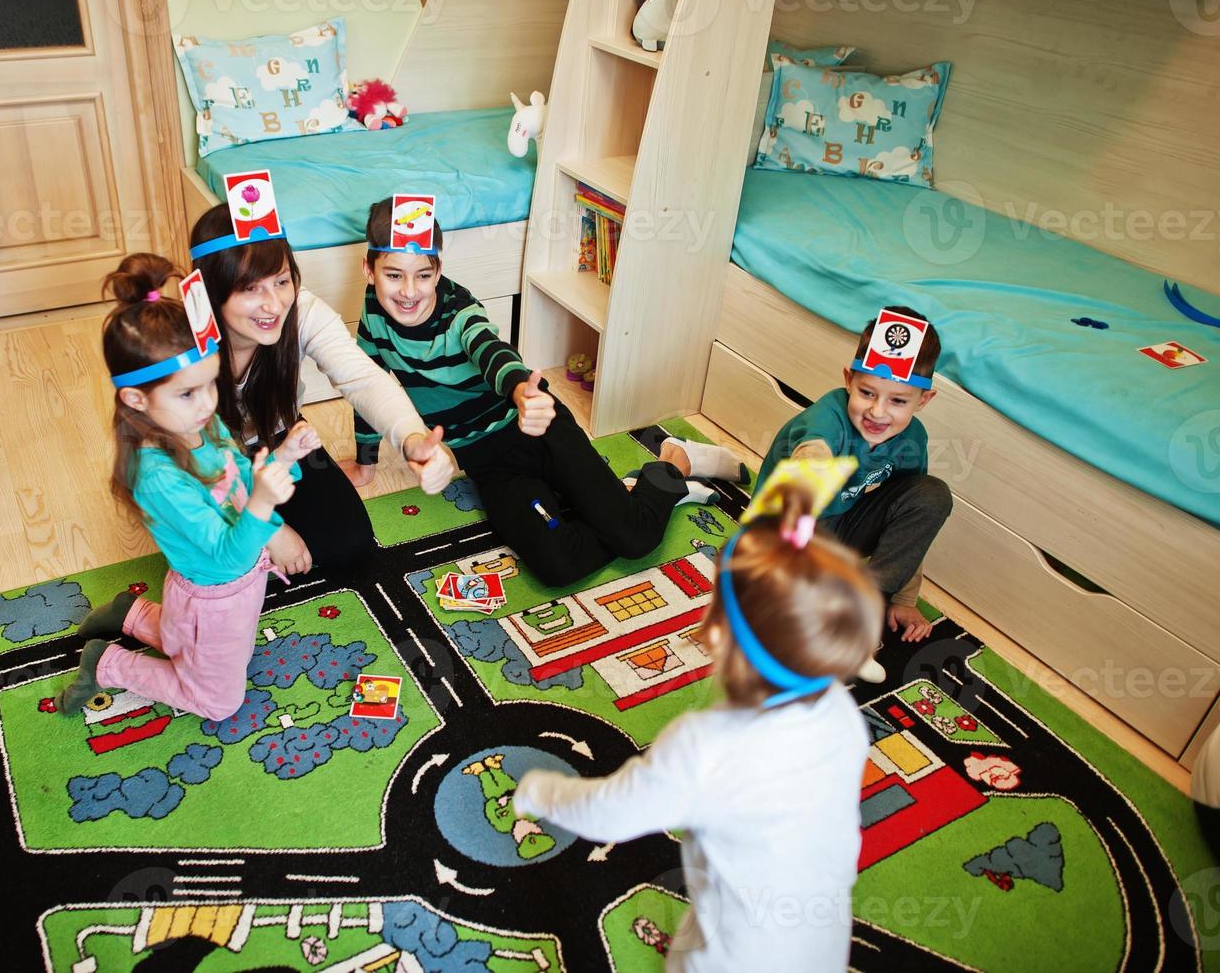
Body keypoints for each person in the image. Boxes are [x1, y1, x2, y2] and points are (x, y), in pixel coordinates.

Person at [512, 484, 881, 971]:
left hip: (734, 955)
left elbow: (613, 815)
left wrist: (542, 792)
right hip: (822, 942)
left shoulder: (704, 745)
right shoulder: (841, 713)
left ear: (714, 635)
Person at [349, 195, 746, 587]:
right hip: (492, 467)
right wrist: (366, 465)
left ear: (439, 270)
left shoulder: (459, 311)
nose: (409, 291)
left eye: (423, 275)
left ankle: (673, 463)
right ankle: (620, 499)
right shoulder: (373, 315)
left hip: (542, 432)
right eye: (394, 275)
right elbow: (367, 387)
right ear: (369, 269)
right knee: (557, 565)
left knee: (637, 538)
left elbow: (490, 350)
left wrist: (521, 390)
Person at [58, 253, 321, 720]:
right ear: (137, 399)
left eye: (210, 386)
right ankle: (110, 663)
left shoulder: (199, 426)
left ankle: (132, 614)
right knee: (218, 701)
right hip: (214, 594)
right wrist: (264, 504)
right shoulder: (157, 477)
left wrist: (282, 460)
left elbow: (238, 474)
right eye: (187, 393)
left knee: (200, 646)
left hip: (231, 592)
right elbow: (226, 555)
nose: (206, 405)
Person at [187, 193, 454, 576]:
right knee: (221, 563)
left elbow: (363, 378)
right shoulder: (181, 336)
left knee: (350, 546)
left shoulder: (301, 309)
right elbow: (178, 456)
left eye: (281, 281)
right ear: (212, 289)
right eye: (250, 289)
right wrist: (270, 530)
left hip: (279, 443)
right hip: (200, 462)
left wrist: (412, 439)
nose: (273, 304)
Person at [755, 306, 952, 656]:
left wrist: (904, 597)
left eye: (898, 400)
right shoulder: (825, 423)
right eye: (867, 393)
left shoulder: (911, 439)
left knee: (932, 495)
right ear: (849, 380)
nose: (878, 412)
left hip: (840, 526)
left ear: (924, 400)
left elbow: (910, 519)